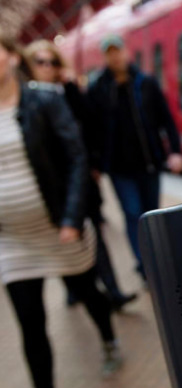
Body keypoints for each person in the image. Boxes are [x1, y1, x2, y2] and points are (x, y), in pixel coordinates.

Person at [0, 34, 123, 388]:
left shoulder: (44, 99)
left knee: (87, 291)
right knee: (30, 324)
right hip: (13, 241)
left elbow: (75, 156)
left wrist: (73, 217)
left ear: (11, 56)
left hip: (59, 228)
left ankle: (108, 338)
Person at [24, 39, 137, 311]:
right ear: (30, 65)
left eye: (52, 62)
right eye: (41, 62)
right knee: (61, 237)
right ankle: (74, 289)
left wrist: (72, 87)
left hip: (80, 178)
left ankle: (113, 291)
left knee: (95, 233)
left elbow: (90, 123)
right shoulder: (25, 103)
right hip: (50, 185)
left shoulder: (66, 93)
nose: (48, 67)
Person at [88, 34, 182, 279]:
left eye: (117, 50)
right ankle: (145, 267)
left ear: (125, 52)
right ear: (105, 57)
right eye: (109, 52)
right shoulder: (98, 89)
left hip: (149, 163)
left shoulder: (146, 82)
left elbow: (167, 120)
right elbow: (91, 128)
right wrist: (95, 162)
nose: (115, 56)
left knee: (152, 213)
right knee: (133, 214)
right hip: (119, 169)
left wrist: (175, 152)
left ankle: (158, 260)